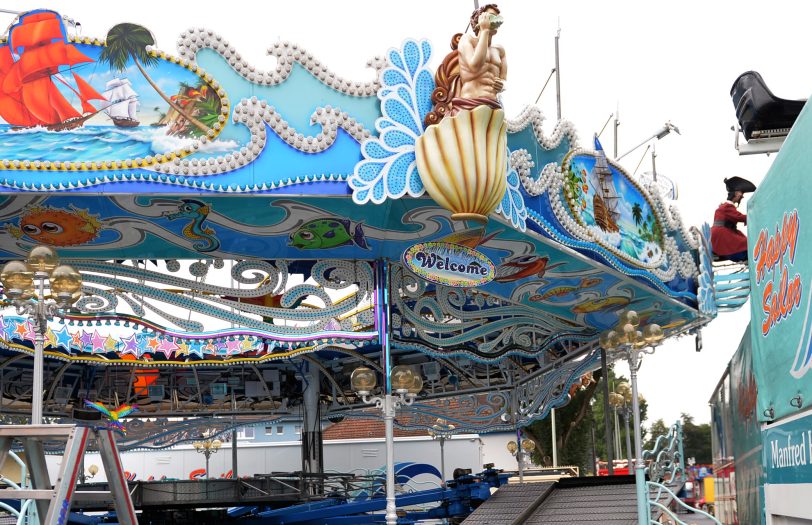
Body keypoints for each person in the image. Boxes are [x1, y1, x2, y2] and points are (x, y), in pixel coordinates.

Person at [454, 4, 507, 113]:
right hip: (470, 103)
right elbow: (474, 66)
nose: (495, 20)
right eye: (491, 17)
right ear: (480, 19)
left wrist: (502, 85)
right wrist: (485, 31)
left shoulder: (499, 50)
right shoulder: (467, 40)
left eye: (497, 17)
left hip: (493, 105)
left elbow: (504, 79)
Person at [710, 176, 756, 262]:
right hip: (722, 235)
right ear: (737, 193)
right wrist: (755, 214)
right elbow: (740, 217)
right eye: (741, 193)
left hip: (723, 233)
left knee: (745, 242)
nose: (742, 196)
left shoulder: (725, 206)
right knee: (746, 245)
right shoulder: (727, 206)